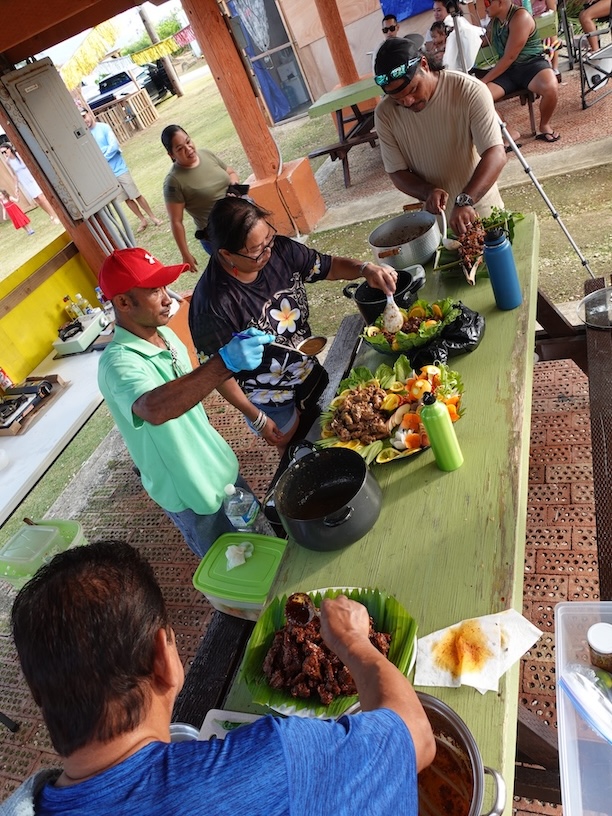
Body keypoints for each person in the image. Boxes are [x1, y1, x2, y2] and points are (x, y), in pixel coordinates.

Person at [6, 540, 435, 815]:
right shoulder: (269, 762)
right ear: (164, 657)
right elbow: (415, 737)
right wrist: (351, 640)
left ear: (42, 695)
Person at [96, 246, 274, 557]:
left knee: (265, 545)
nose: (168, 298)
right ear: (124, 302)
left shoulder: (165, 337)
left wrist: (254, 413)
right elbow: (155, 408)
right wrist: (225, 361)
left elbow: (201, 382)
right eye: (154, 291)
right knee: (232, 570)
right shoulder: (118, 364)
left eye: (165, 287)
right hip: (189, 491)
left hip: (220, 467)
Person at [188, 197, 398, 448]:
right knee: (290, 443)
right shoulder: (211, 305)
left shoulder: (281, 251)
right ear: (225, 253)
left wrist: (365, 268)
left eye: (269, 239)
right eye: (257, 251)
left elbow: (327, 267)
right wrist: (258, 419)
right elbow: (219, 375)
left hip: (304, 367)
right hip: (265, 394)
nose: (268, 252)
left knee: (320, 425)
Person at [373, 37, 506, 235]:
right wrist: (427, 192)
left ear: (424, 65)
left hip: (484, 213)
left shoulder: (469, 90)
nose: (408, 101)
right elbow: (397, 173)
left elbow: (495, 154)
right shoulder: (385, 114)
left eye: (413, 89)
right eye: (397, 99)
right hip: (436, 226)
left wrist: (465, 200)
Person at [161, 124, 242, 272]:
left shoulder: (206, 154)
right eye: (180, 148)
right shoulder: (173, 182)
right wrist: (185, 254)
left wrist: (234, 189)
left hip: (240, 222)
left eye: (188, 141)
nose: (188, 149)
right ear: (171, 155)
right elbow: (176, 221)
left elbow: (230, 173)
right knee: (240, 274)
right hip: (217, 237)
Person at [482, 0, 560, 143]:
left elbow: (510, 57)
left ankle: (544, 125)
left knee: (551, 87)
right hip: (508, 72)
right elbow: (482, 42)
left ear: (500, 2)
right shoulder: (494, 23)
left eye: (487, 2)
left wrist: (483, 81)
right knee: (479, 98)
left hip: (532, 66)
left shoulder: (520, 17)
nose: (484, 7)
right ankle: (509, 132)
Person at [82, 110, 162, 233]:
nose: (85, 120)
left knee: (136, 194)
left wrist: (102, 157)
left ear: (89, 115)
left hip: (120, 169)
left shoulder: (104, 127)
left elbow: (113, 146)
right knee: (126, 199)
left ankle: (153, 217)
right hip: (108, 174)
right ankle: (142, 220)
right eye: (81, 118)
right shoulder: (86, 136)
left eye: (85, 116)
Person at [0, 143, 60, 224]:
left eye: (4, 151)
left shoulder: (19, 156)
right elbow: (14, 175)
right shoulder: (8, 162)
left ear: (9, 149)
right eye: (2, 153)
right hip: (25, 182)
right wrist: (16, 187)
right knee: (37, 200)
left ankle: (55, 215)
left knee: (42, 198)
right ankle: (50, 215)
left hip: (32, 179)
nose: (4, 154)